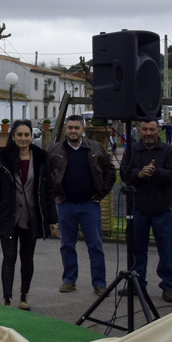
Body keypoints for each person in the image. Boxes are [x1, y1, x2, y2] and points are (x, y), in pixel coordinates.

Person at [0, 119, 58, 310]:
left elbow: (49, 192)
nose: (23, 138)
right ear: (13, 137)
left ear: (32, 136)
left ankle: (24, 295)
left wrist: (52, 220)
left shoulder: (41, 159)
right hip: (9, 217)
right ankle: (7, 298)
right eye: (19, 134)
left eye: (27, 135)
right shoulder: (3, 160)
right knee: (9, 257)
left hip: (32, 217)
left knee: (27, 258)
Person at [48, 115, 115, 296]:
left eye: (77, 128)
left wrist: (100, 194)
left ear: (83, 129)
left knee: (95, 245)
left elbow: (110, 172)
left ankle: (99, 283)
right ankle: (69, 280)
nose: (73, 131)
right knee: (67, 245)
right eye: (70, 128)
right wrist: (55, 196)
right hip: (66, 205)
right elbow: (46, 176)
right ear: (65, 130)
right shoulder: (55, 151)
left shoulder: (96, 148)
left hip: (89, 205)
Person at [119, 120, 172, 303]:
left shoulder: (169, 151)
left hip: (163, 209)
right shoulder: (132, 150)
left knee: (166, 250)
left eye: (152, 129)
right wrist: (139, 174)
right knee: (138, 250)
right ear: (138, 130)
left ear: (158, 131)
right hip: (139, 208)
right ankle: (138, 283)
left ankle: (168, 286)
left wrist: (155, 172)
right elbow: (124, 174)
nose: (148, 133)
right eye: (144, 129)